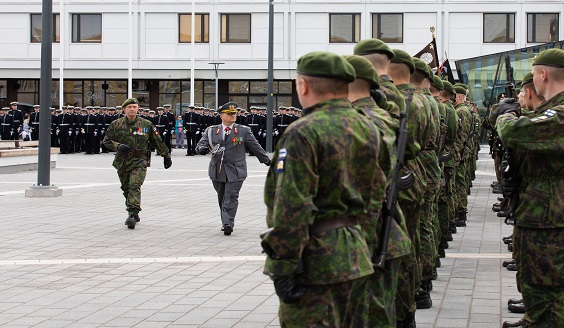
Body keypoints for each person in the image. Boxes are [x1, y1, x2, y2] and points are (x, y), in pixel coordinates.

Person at [261, 51, 384, 326]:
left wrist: (282, 268)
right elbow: (376, 194)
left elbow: (292, 207)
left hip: (316, 264)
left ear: (303, 86)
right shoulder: (368, 127)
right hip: (356, 254)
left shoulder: (302, 132)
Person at [497, 48, 564, 328]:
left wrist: (507, 115)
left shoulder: (559, 114)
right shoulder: (551, 111)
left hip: (550, 215)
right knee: (538, 284)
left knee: (546, 291)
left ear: (542, 74)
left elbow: (514, 132)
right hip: (543, 210)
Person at [195, 102, 270, 235]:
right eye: (230, 114)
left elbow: (256, 147)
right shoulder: (211, 130)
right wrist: (203, 149)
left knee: (231, 196)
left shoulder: (243, 130)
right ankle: (225, 219)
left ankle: (228, 223)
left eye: (234, 113)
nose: (233, 116)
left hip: (236, 170)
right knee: (222, 196)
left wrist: (268, 161)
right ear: (221, 115)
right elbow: (201, 145)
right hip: (217, 170)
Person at [103, 98, 172, 229]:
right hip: (122, 161)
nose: (132, 109)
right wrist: (117, 146)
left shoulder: (146, 124)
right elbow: (106, 141)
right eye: (129, 107)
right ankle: (131, 209)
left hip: (140, 160)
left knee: (134, 185)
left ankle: (133, 213)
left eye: (134, 107)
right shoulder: (116, 124)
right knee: (126, 188)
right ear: (124, 109)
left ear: (138, 108)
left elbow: (157, 141)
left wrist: (166, 155)